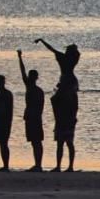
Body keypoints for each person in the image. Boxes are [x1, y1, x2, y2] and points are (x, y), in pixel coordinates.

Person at [37, 39, 81, 172]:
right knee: (65, 142)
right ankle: (66, 166)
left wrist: (42, 41)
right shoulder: (73, 60)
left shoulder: (64, 59)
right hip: (70, 83)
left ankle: (63, 166)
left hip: (67, 83)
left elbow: (52, 49)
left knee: (64, 142)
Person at [17, 50, 46, 171]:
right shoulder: (35, 89)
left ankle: (38, 164)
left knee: (36, 141)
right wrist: (20, 58)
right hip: (33, 117)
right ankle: (37, 164)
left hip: (33, 117)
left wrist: (19, 57)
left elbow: (23, 72)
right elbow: (23, 72)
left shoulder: (36, 90)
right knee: (35, 142)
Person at [0, 73, 14, 171]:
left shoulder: (5, 94)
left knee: (4, 143)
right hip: (1, 120)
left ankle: (6, 165)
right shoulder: (1, 94)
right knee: (2, 143)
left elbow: (2, 110)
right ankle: (5, 165)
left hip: (4, 121)